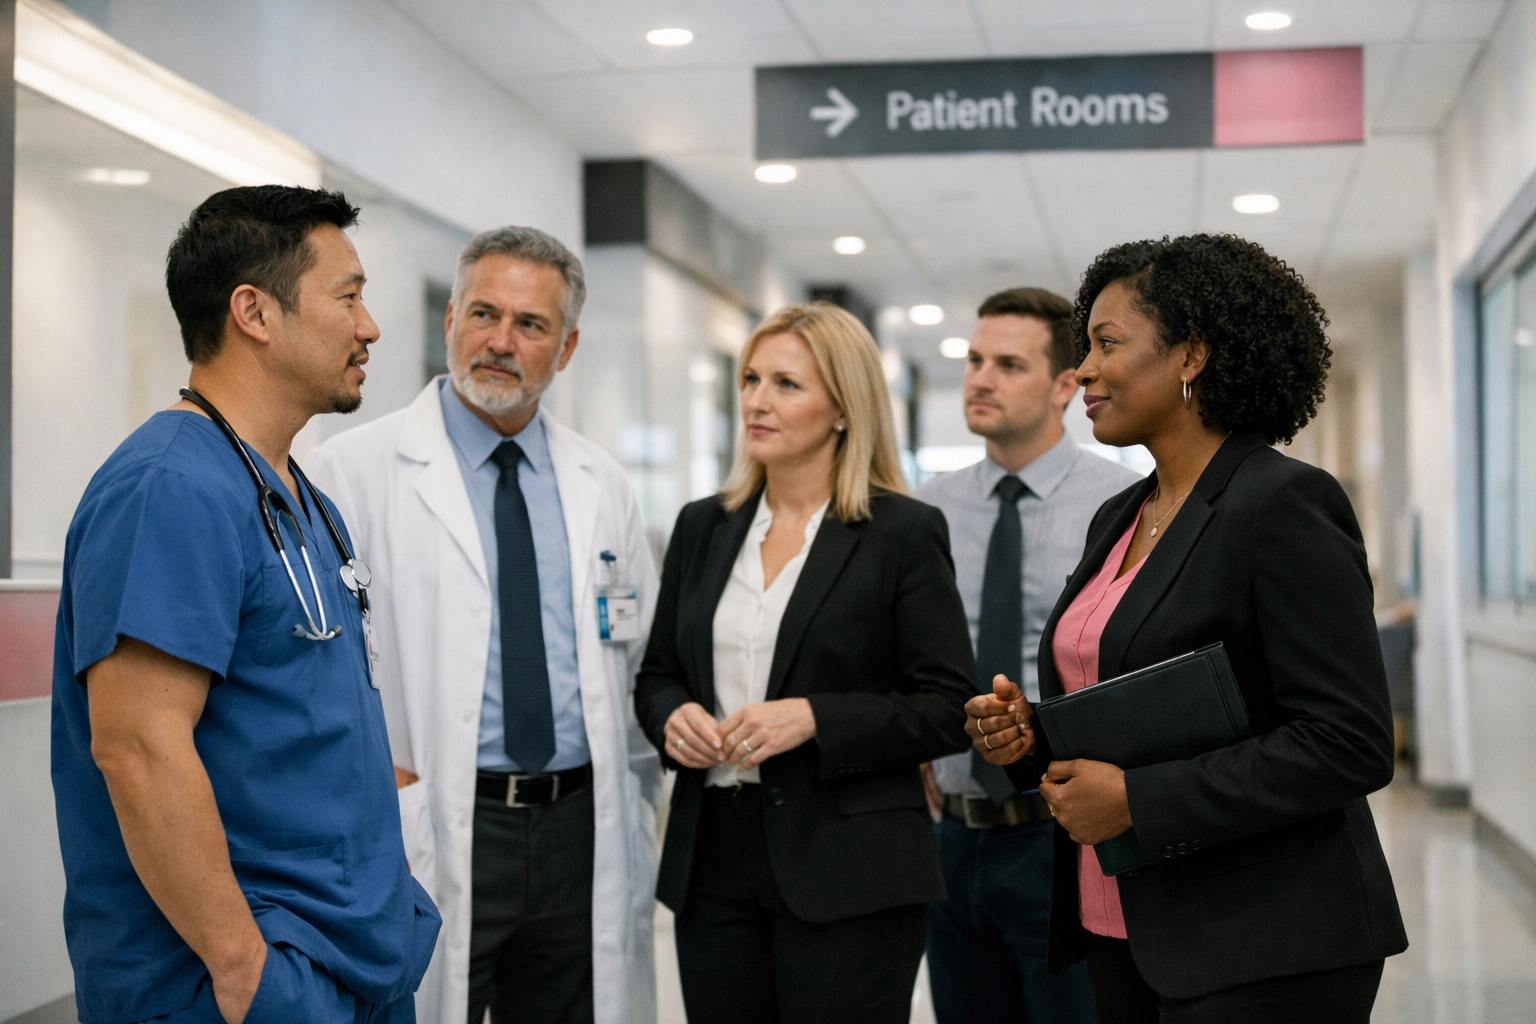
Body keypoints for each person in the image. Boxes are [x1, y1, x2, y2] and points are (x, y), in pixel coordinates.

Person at [967, 234, 1408, 1023]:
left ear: (1191, 357)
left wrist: (1140, 800)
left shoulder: (1281, 503)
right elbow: (1137, 699)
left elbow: (1349, 741)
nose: (1086, 371)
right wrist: (1030, 738)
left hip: (1262, 940)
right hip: (1124, 925)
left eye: (1107, 344)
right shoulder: (1121, 514)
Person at [50, 185, 440, 1024]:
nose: (370, 326)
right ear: (255, 312)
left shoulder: (297, 496)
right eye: (348, 297)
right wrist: (245, 969)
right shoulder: (169, 488)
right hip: (240, 984)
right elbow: (137, 746)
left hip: (347, 956)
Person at [304, 226, 659, 1024]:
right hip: (436, 813)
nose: (500, 341)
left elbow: (637, 655)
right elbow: (316, 670)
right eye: (483, 314)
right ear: (450, 321)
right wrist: (377, 774)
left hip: (580, 824)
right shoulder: (350, 471)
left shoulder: (602, 482)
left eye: (531, 325)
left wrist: (638, 790)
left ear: (566, 348)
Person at [634, 303, 976, 1024]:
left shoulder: (902, 533)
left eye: (786, 384)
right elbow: (658, 673)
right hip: (713, 856)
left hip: (851, 866)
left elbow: (949, 707)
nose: (757, 401)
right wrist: (674, 717)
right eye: (751, 379)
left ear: (844, 410)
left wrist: (815, 718)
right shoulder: (704, 526)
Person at [917, 287, 1137, 1023]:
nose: (980, 379)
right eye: (974, 360)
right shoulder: (928, 510)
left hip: (1064, 835)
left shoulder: (1125, 506)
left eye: (1009, 365)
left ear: (1065, 385)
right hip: (952, 835)